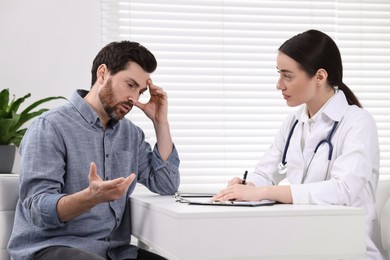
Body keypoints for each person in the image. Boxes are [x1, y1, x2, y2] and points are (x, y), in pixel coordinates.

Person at [213, 29, 387, 259]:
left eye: (287, 76)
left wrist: (263, 192)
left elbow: (343, 190)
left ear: (319, 77)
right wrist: (247, 186)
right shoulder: (295, 121)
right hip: (303, 243)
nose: (279, 85)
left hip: (348, 249)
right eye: (279, 74)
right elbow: (266, 171)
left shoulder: (357, 123)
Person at [8, 41, 180, 260]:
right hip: (50, 247)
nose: (135, 99)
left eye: (141, 92)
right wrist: (91, 197)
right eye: (130, 84)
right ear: (103, 73)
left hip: (113, 251)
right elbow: (38, 210)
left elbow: (166, 183)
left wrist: (160, 122)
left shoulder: (131, 134)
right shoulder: (50, 127)